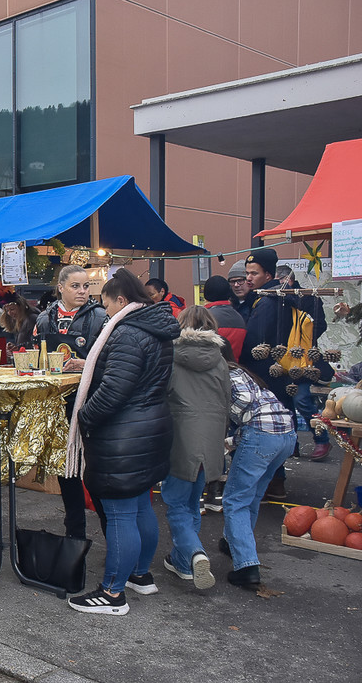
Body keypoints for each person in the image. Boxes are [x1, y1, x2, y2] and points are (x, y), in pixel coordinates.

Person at [66, 269, 179, 616]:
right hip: (149, 428)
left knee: (120, 514)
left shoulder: (128, 332)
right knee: (141, 506)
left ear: (121, 300)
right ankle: (140, 575)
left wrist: (85, 417)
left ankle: (113, 593)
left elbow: (115, 390)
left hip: (125, 435)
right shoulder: (154, 327)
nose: (105, 311)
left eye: (106, 303)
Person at [34, 264, 109, 539]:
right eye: (76, 286)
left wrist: (86, 362)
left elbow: (112, 359)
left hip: (90, 403)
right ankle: (74, 533)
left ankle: (111, 534)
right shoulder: (44, 318)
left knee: (94, 471)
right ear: (61, 288)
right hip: (57, 403)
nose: (82, 291)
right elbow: (34, 354)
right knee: (67, 469)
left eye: (86, 286)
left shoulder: (100, 317)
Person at [160, 306, 230, 591]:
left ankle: (194, 552)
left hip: (180, 439)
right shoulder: (221, 361)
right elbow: (227, 402)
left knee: (176, 504)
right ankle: (183, 561)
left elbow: (161, 395)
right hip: (211, 441)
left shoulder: (171, 357)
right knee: (192, 504)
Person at [219, 342, 297, 587]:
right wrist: (231, 440)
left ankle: (246, 567)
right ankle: (236, 543)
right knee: (251, 496)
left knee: (235, 500)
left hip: (262, 434)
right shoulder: (245, 373)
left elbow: (245, 404)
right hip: (285, 434)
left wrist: (223, 411)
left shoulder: (228, 373)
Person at [239, 248, 295, 499]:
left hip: (266, 373)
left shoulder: (268, 301)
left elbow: (253, 340)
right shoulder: (268, 297)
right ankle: (274, 479)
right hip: (277, 372)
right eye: (247, 273)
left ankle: (272, 480)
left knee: (265, 425)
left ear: (268, 274)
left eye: (254, 273)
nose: (248, 278)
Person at [276, 265, 332, 461]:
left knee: (302, 401)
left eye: (279, 282)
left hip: (304, 361)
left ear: (287, 280)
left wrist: (302, 337)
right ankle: (293, 445)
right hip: (282, 361)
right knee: (284, 404)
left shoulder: (309, 298)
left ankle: (322, 440)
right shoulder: (277, 300)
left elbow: (319, 325)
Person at [203, 275, 246, 360]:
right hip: (234, 368)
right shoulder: (239, 318)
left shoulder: (204, 317)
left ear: (206, 296)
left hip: (210, 369)